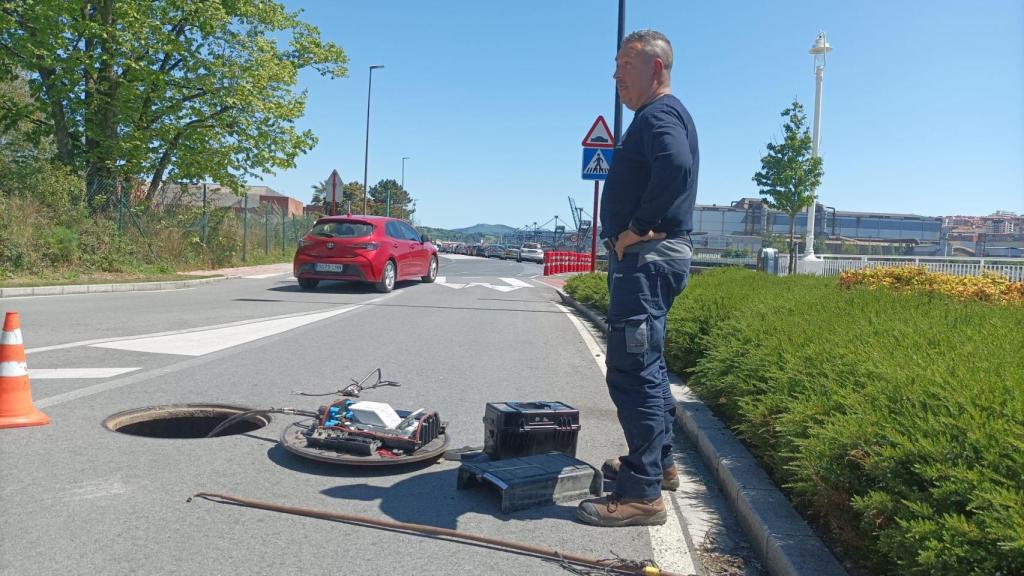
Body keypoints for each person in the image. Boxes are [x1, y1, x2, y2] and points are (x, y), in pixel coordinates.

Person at [576, 30, 699, 527]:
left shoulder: (659, 115)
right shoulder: (661, 116)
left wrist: (636, 228)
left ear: (657, 68)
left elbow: (676, 164)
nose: (616, 74)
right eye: (616, 63)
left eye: (626, 63)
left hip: (646, 261)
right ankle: (660, 465)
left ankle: (642, 493)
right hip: (653, 262)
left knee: (632, 373)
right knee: (647, 365)